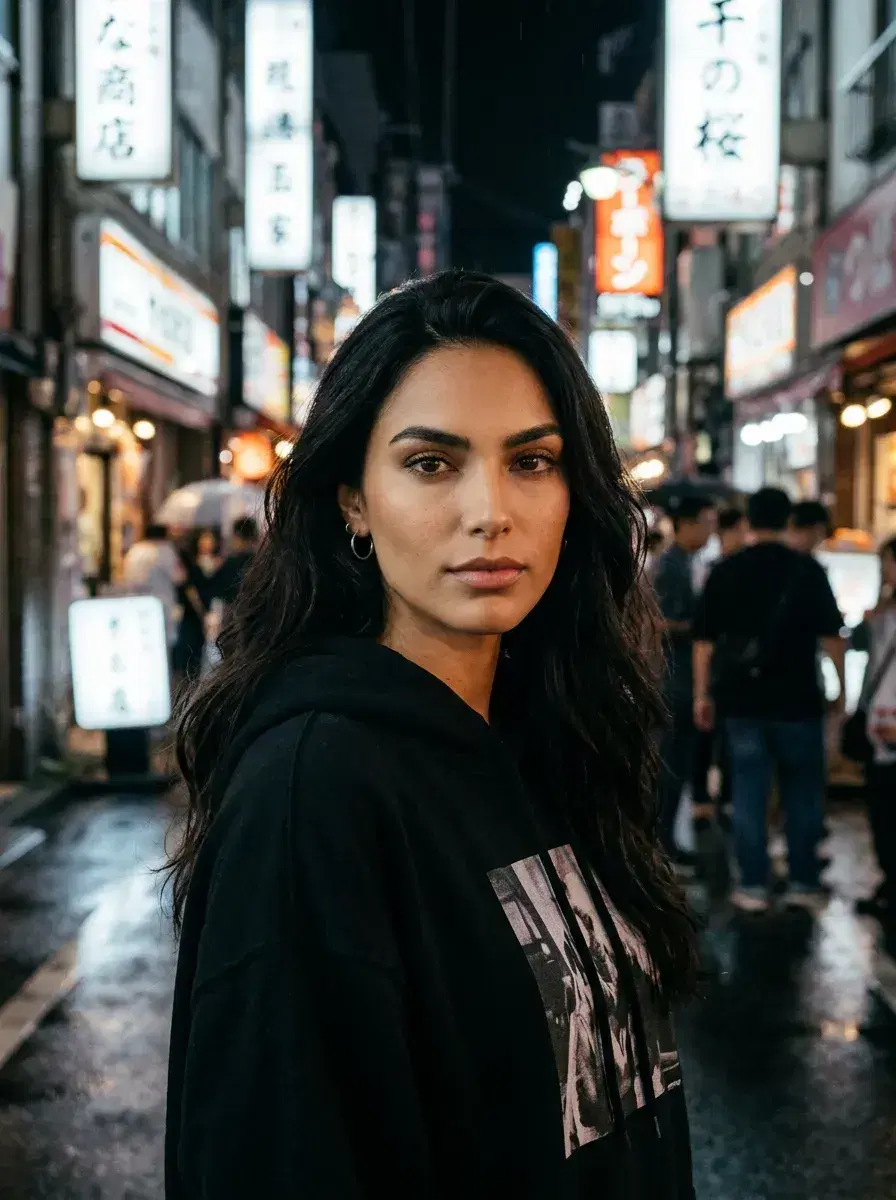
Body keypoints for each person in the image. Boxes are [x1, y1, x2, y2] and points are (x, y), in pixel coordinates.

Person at [164, 272, 697, 1199]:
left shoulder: (551, 737)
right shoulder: (314, 788)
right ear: (352, 501)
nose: (490, 511)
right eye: (430, 463)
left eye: (532, 460)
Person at [692, 487, 845, 914]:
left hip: (742, 705)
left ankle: (754, 885)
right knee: (803, 795)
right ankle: (802, 881)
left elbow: (703, 642)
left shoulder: (726, 570)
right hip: (798, 702)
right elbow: (833, 638)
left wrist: (703, 694)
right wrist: (842, 693)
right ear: (788, 520)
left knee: (748, 793)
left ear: (748, 521)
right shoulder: (808, 570)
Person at [653, 494, 716, 866]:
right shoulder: (671, 566)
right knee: (672, 764)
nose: (710, 531)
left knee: (677, 763)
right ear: (686, 524)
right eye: (705, 522)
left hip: (680, 676)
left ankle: (666, 841)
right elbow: (662, 623)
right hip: (676, 678)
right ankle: (663, 845)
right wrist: (705, 631)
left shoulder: (685, 563)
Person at [855, 536, 896, 919]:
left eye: (889, 564)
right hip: (879, 729)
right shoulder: (884, 613)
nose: (885, 572)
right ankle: (888, 883)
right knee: (881, 817)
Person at [120, 523, 185, 648]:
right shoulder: (165, 550)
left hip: (134, 604)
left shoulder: (134, 550)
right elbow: (179, 578)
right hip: (161, 604)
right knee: (163, 645)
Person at [210, 516, 259, 612]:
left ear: (238, 536)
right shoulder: (262, 560)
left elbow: (217, 589)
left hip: (236, 615)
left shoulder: (231, 562)